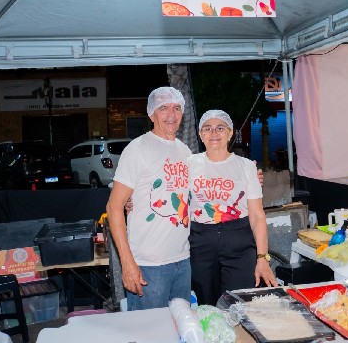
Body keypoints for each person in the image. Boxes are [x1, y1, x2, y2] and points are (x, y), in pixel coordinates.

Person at [106, 87, 192, 311]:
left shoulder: (185, 151)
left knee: (180, 326)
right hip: (149, 265)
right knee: (149, 328)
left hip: (182, 260)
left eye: (176, 108)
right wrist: (127, 263)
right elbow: (114, 206)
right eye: (163, 108)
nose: (171, 114)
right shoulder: (138, 149)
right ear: (151, 114)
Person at [188, 109, 277, 306]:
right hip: (201, 242)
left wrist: (262, 257)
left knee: (241, 303)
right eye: (207, 128)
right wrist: (131, 199)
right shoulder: (189, 164)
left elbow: (257, 216)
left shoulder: (246, 166)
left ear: (230, 133)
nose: (214, 133)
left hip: (239, 241)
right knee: (207, 305)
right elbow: (166, 191)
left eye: (220, 128)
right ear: (200, 134)